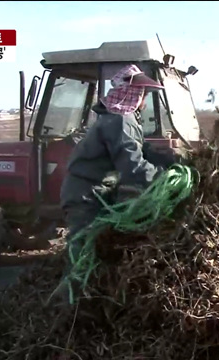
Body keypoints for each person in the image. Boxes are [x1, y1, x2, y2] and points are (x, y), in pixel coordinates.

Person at [58, 64, 176, 297]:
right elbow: (132, 165)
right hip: (86, 195)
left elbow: (141, 149)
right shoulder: (120, 119)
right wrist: (166, 177)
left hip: (98, 192)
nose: (145, 99)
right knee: (82, 256)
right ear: (136, 93)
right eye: (144, 93)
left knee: (96, 249)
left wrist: (172, 160)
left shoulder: (123, 118)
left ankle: (87, 297)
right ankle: (70, 308)